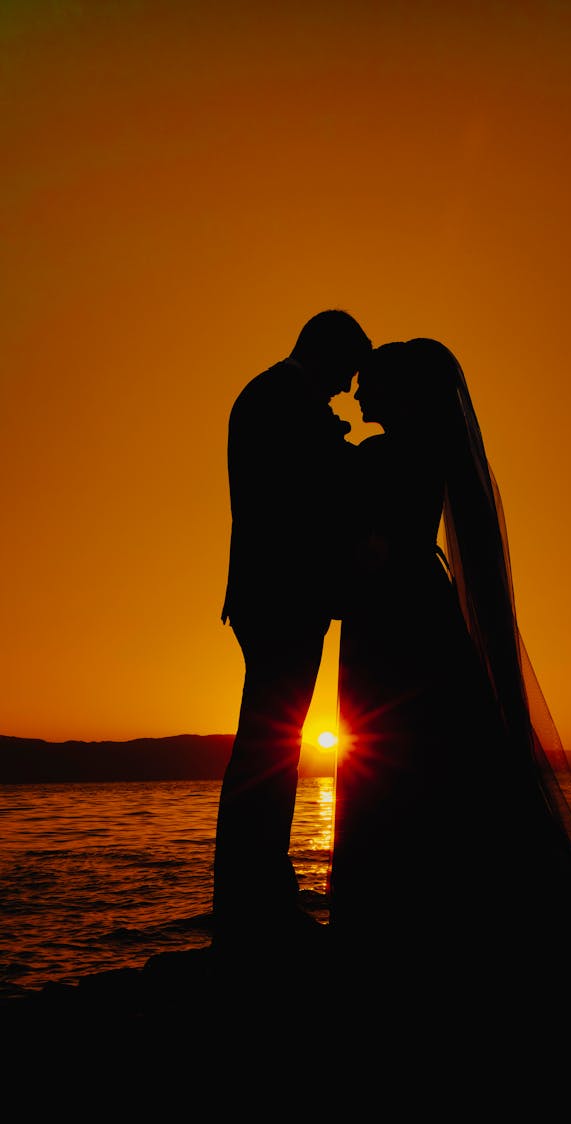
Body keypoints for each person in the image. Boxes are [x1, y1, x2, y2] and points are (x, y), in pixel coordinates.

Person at [329, 338, 571, 974]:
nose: (357, 393)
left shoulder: (382, 455)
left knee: (394, 741)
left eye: (367, 383)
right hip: (420, 603)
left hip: (390, 612)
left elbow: (341, 503)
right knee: (438, 738)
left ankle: (399, 906)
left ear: (398, 391)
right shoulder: (425, 452)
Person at [212, 309, 371, 962]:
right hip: (281, 598)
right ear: (328, 354)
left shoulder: (273, 396)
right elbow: (299, 500)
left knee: (269, 750)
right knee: (267, 753)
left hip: (274, 597)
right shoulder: (281, 400)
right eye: (346, 372)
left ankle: (256, 897)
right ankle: (255, 904)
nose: (347, 390)